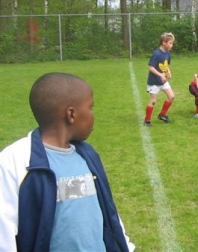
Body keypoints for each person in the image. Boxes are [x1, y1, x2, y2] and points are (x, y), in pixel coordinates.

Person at [0, 72, 135, 252]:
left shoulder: (88, 155)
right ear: (71, 114)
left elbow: (108, 209)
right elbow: (4, 234)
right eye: (90, 107)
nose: (93, 115)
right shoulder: (16, 161)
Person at [144, 32, 175, 126]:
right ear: (163, 42)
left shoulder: (167, 53)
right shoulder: (156, 54)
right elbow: (151, 67)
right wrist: (160, 75)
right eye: (170, 43)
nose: (171, 45)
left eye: (172, 43)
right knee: (153, 101)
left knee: (171, 96)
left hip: (163, 81)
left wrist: (168, 71)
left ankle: (162, 114)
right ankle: (147, 120)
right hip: (154, 82)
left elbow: (165, 64)